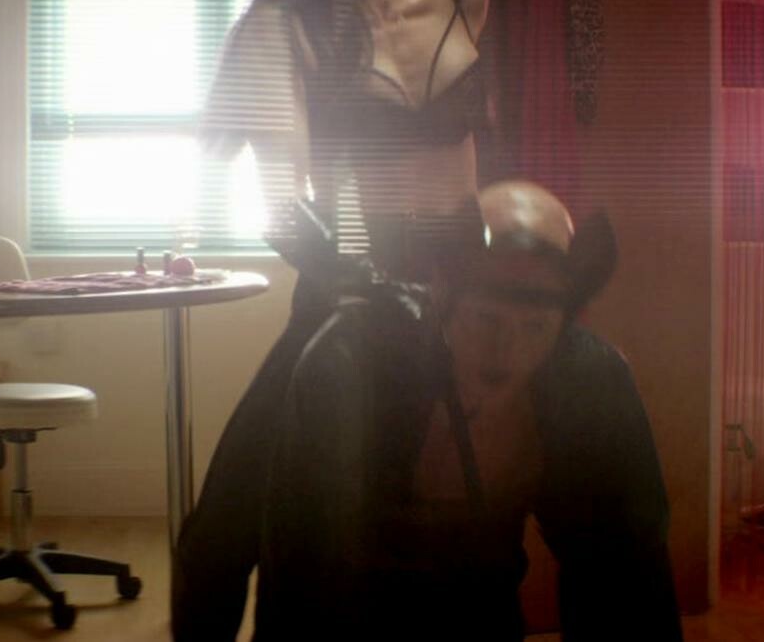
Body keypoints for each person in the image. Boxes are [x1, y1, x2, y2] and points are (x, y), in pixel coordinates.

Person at [178, 0, 504, 637]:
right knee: (225, 528)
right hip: (349, 297)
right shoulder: (283, 24)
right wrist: (370, 290)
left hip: (467, 290)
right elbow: (284, 207)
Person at [240, 180, 679, 640]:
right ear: (442, 298)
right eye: (487, 319)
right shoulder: (348, 368)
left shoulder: (589, 383)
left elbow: (628, 581)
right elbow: (298, 581)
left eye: (534, 326)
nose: (505, 349)